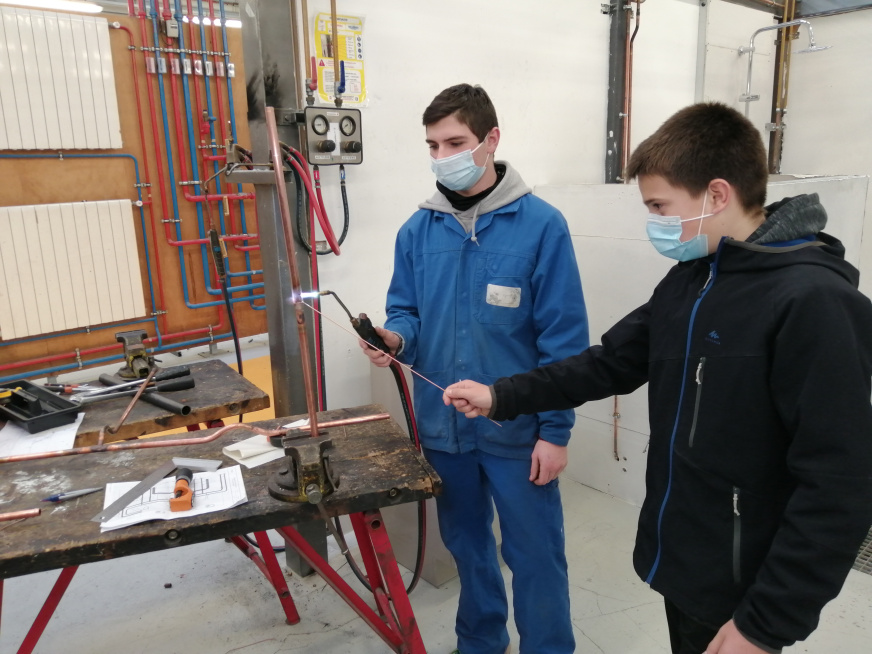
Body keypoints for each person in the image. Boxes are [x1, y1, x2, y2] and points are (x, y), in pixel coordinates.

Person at [443, 102, 872, 654]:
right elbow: (608, 362)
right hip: (688, 557)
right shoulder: (692, 280)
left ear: (717, 194)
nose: (655, 223)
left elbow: (840, 482)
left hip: (747, 580)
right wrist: (501, 395)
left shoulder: (814, 303)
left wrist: (767, 622)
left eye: (660, 206)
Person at [359, 83, 589, 654]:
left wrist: (555, 432)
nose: (442, 157)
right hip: (445, 429)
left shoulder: (542, 226)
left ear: (491, 140)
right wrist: (394, 339)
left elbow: (564, 340)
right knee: (467, 546)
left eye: (455, 143)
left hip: (519, 428)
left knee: (535, 553)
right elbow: (407, 312)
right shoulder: (417, 231)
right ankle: (481, 641)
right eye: (433, 145)